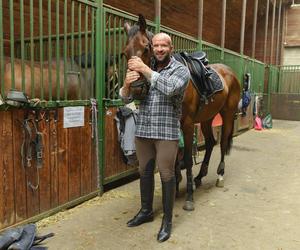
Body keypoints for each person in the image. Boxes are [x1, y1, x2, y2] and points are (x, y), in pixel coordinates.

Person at [119, 33, 190, 242]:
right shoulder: (144, 68)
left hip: (166, 132)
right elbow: (126, 100)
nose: (159, 49)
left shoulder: (180, 70)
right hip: (143, 131)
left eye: (163, 46)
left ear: (171, 48)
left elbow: (169, 88)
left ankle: (167, 221)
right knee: (144, 171)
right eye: (156, 45)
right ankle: (146, 211)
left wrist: (145, 70)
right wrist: (126, 84)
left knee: (167, 174)